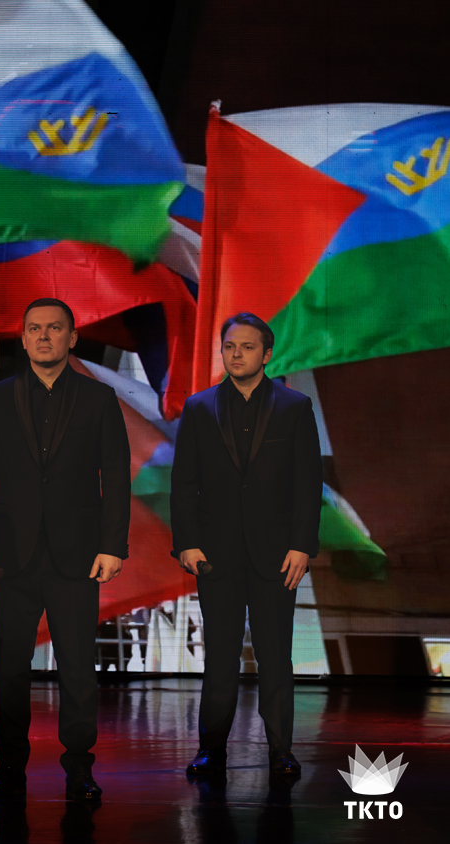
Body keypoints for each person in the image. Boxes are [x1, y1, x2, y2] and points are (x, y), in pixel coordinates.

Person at [0, 298, 130, 802]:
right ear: (23, 337)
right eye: (34, 328)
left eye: (54, 328)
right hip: (10, 556)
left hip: (76, 556)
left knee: (78, 669)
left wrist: (112, 546)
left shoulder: (99, 399)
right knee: (9, 669)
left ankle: (79, 768)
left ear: (72, 338)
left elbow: (116, 477)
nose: (43, 336)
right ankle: (9, 765)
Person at [170, 312, 322, 778]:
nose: (236, 354)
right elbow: (184, 483)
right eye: (230, 346)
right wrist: (187, 543)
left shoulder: (294, 407)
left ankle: (281, 751)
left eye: (247, 347)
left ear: (267, 354)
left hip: (278, 555)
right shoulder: (199, 408)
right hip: (215, 555)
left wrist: (302, 545)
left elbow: (307, 483)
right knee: (220, 655)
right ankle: (211, 749)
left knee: (276, 657)